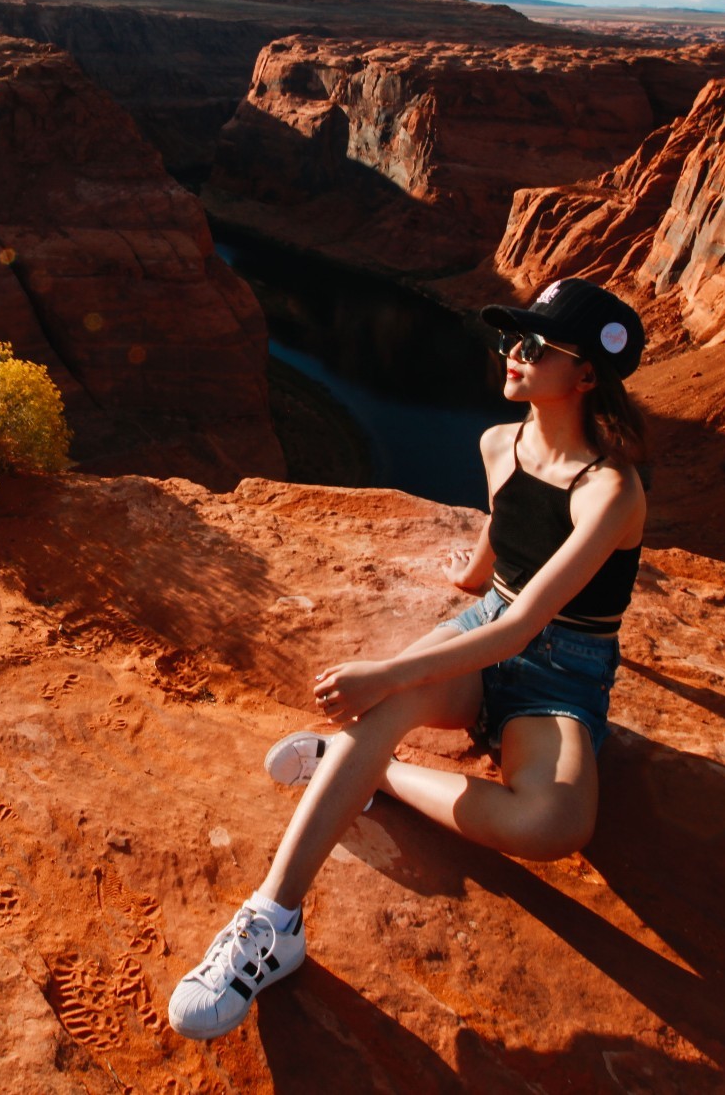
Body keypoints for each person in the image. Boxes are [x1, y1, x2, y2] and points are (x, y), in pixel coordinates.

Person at [167, 277, 649, 1041]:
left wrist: (392, 668)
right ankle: (274, 919)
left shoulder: (610, 491)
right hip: (490, 621)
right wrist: (470, 576)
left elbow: (527, 624)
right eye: (510, 337)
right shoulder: (501, 441)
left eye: (535, 346)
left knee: (556, 823)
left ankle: (366, 769)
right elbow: (506, 531)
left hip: (562, 671)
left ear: (587, 375)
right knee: (381, 706)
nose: (512, 353)